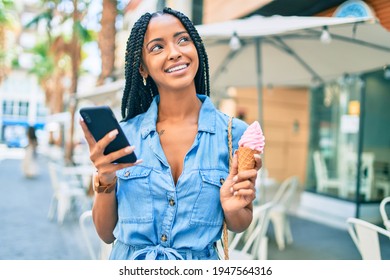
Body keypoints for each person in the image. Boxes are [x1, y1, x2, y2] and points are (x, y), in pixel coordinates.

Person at [79, 7, 262, 260]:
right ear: (142, 68)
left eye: (183, 40)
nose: (175, 53)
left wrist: (232, 209)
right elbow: (106, 233)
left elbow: (241, 223)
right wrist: (105, 179)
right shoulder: (126, 136)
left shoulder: (234, 134)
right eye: (157, 47)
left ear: (196, 48)